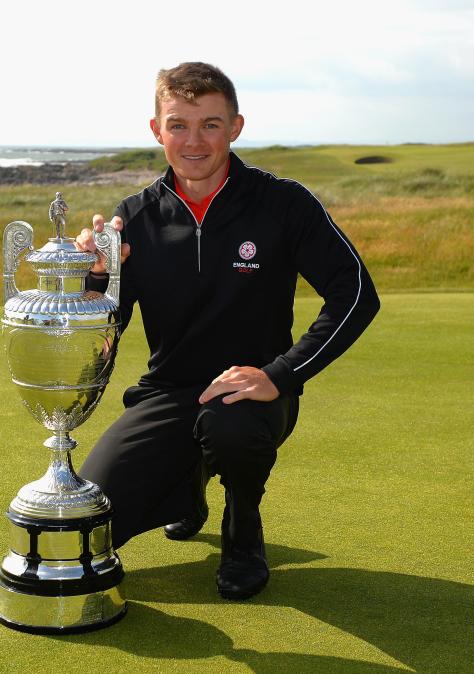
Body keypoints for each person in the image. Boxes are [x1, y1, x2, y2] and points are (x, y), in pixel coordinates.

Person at [75, 62, 379, 600]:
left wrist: (280, 374)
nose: (194, 141)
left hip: (251, 396)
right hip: (168, 394)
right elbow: (107, 328)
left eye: (210, 124)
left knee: (229, 427)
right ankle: (186, 492)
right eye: (178, 125)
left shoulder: (283, 203)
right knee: (87, 529)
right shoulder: (136, 216)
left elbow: (355, 293)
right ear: (156, 130)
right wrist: (96, 278)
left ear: (236, 127)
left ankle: (242, 526)